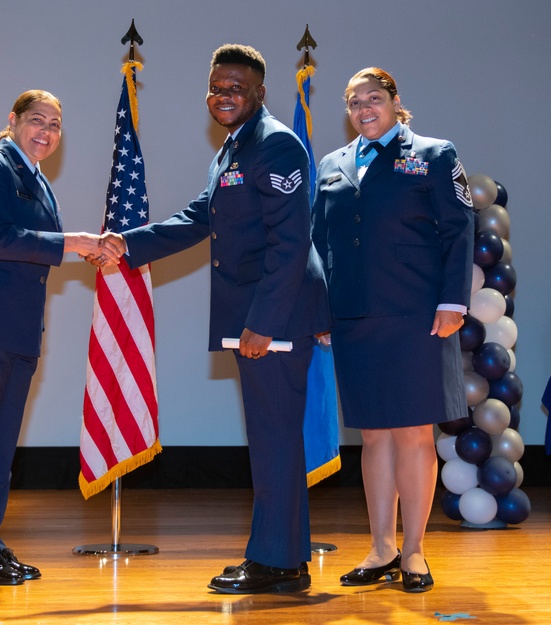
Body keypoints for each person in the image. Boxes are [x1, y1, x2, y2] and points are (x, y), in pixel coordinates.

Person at [96, 44, 330, 594]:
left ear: (259, 93)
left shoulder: (274, 145)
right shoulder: (234, 149)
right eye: (217, 88)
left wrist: (265, 321)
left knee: (274, 438)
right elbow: (198, 217)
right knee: (274, 438)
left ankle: (275, 563)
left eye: (237, 88)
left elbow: (291, 243)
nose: (225, 96)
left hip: (277, 314)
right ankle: (284, 557)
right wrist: (125, 245)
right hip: (258, 311)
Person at [0, 89, 120, 585]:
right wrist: (76, 243)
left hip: (14, 329)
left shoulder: (39, 181)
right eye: (37, 120)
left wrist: (84, 247)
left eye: (55, 125)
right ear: (12, 121)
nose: (46, 132)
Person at [311, 67, 474, 593]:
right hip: (353, 319)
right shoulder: (332, 165)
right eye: (355, 102)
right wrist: (320, 310)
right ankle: (381, 547)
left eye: (374, 99)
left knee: (412, 434)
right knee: (373, 435)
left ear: (395, 102)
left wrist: (453, 301)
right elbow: (319, 244)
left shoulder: (434, 154)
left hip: (416, 316)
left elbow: (458, 229)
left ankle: (415, 551)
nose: (364, 109)